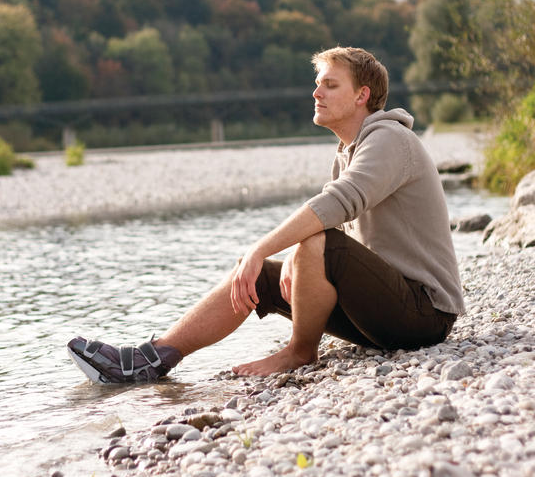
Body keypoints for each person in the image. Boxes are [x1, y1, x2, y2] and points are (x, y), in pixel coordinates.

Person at [67, 46, 464, 385]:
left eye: (330, 84)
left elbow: (338, 204)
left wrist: (262, 248)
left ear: (362, 95)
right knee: (259, 274)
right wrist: (293, 259)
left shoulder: (390, 139)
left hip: (423, 315)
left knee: (313, 241)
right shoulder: (349, 151)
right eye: (318, 83)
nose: (316, 92)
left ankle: (299, 352)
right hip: (381, 312)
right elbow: (338, 229)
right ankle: (151, 359)